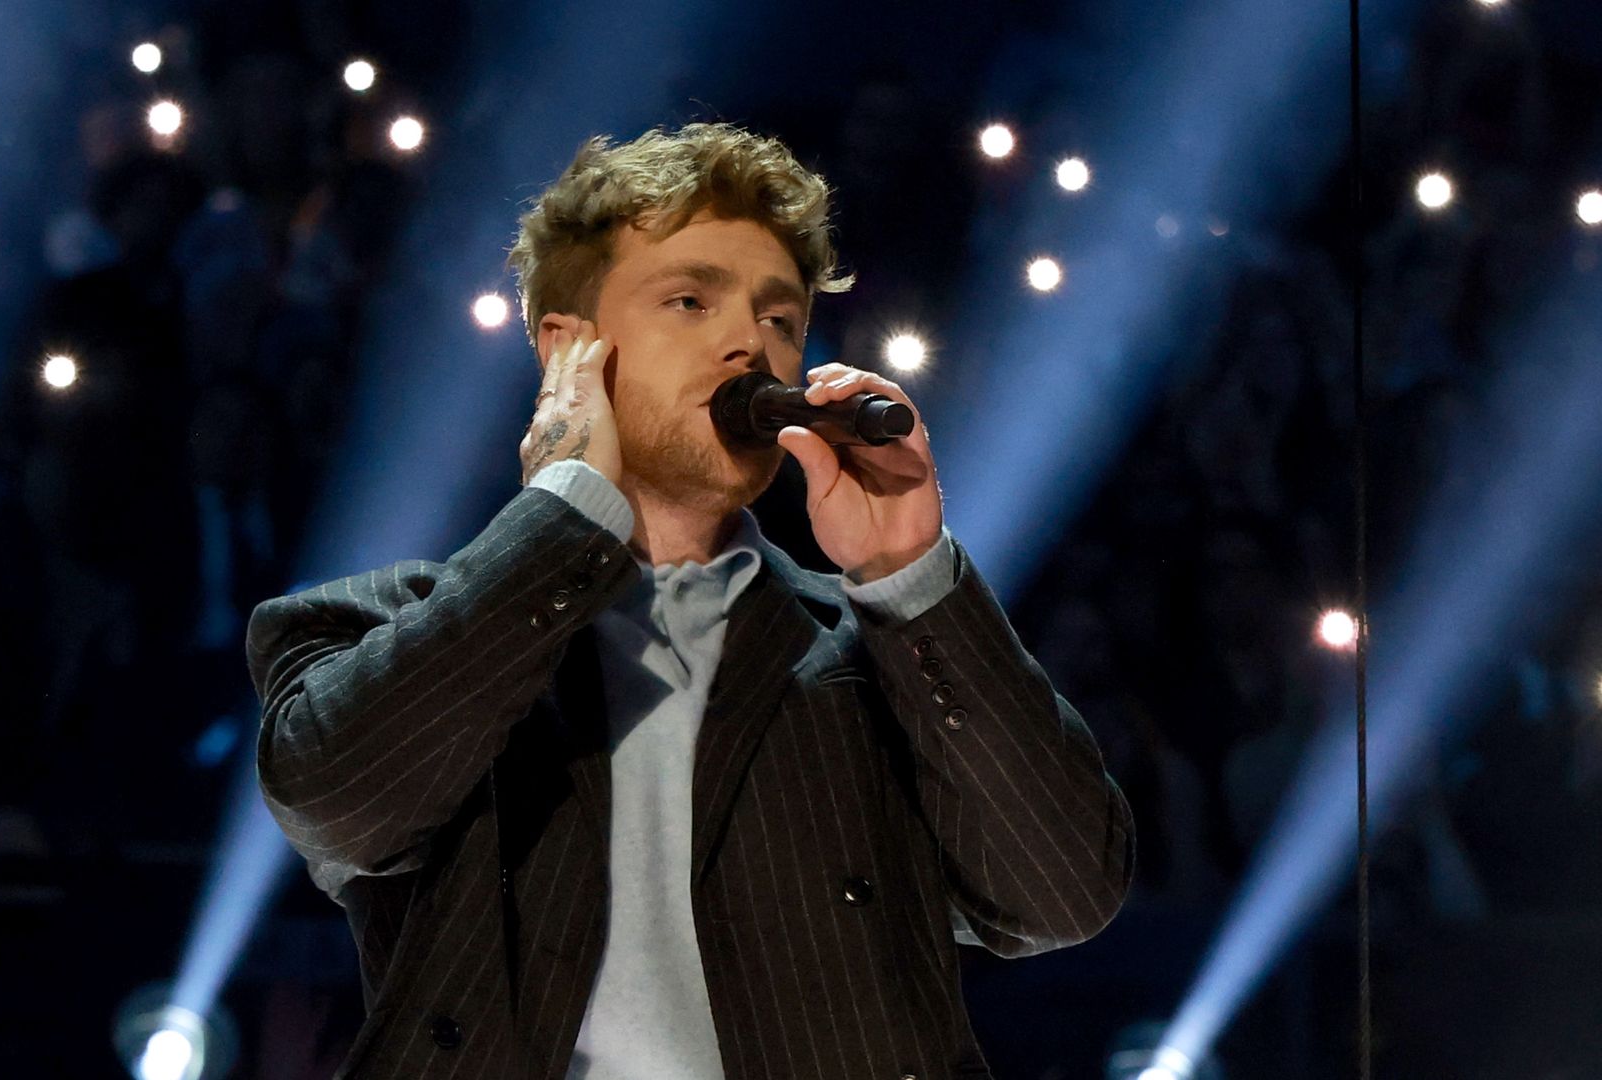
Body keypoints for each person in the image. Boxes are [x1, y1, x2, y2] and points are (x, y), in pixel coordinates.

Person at [247, 121, 1135, 1080]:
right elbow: (342, 805)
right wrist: (564, 513)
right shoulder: (365, 627)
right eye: (688, 300)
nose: (747, 346)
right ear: (567, 350)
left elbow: (1062, 893)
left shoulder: (875, 656)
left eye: (779, 320)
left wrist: (910, 575)